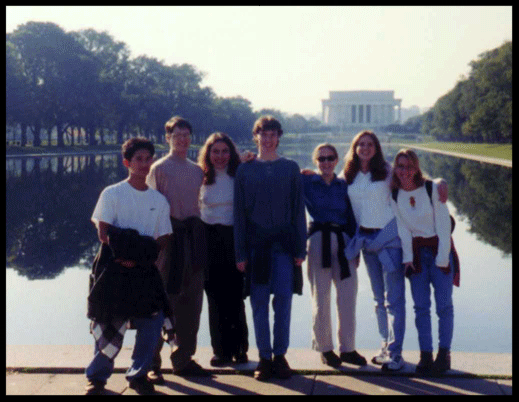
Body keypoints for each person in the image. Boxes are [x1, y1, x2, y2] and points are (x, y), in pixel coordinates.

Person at [344, 130, 448, 372]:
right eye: (361, 144)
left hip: (389, 240)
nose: (366, 148)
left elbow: (415, 180)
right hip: (367, 242)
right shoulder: (349, 174)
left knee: (395, 300)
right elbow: (327, 180)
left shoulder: (388, 171)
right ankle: (385, 345)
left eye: (370, 144)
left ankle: (396, 353)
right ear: (355, 147)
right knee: (378, 299)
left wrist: (441, 181)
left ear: (377, 147)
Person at [85, 137, 173, 395]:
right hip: (113, 269)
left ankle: (139, 374)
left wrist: (140, 255)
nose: (144, 164)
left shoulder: (159, 200)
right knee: (107, 322)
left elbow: (164, 237)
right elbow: (104, 232)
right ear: (127, 162)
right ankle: (97, 378)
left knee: (151, 322)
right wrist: (126, 253)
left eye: (148, 159)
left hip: (144, 269)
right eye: (138, 159)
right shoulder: (112, 193)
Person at [234, 115, 307, 381]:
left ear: (278, 137)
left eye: (272, 134)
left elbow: (299, 210)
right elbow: (239, 215)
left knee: (284, 301)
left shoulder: (290, 167)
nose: (268, 139)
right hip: (256, 247)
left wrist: (301, 248)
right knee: (259, 302)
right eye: (263, 134)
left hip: (284, 246)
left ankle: (280, 355)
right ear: (256, 137)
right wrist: (240, 252)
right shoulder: (245, 170)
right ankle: (264, 357)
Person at [146, 116, 210, 381]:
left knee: (192, 301)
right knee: (161, 301)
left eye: (186, 134)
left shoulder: (197, 170)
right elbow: (149, 207)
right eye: (177, 134)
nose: (182, 139)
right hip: (167, 240)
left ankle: (183, 358)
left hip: (193, 238)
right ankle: (151, 361)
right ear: (168, 138)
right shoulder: (158, 168)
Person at [390, 149, 458, 375]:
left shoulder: (431, 189)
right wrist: (408, 259)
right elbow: (403, 229)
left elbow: (444, 226)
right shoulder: (395, 194)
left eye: (409, 166)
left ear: (416, 167)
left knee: (444, 306)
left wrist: (442, 259)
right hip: (418, 256)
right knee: (421, 308)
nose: (404, 171)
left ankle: (443, 354)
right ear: (395, 168)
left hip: (440, 251)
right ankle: (426, 355)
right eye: (400, 166)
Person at [302, 143, 367, 368]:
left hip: (343, 241)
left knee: (348, 297)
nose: (326, 163)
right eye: (321, 159)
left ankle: (348, 348)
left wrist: (355, 250)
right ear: (315, 161)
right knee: (321, 297)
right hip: (319, 239)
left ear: (337, 160)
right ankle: (325, 348)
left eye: (330, 158)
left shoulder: (343, 185)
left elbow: (351, 216)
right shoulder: (307, 182)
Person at [198, 132, 249, 367]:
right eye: (215, 152)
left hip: (234, 237)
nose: (220, 156)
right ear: (208, 154)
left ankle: (239, 348)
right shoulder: (200, 177)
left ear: (232, 153)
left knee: (235, 295)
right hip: (208, 239)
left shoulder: (240, 174)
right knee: (214, 297)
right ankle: (220, 350)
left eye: (224, 151)